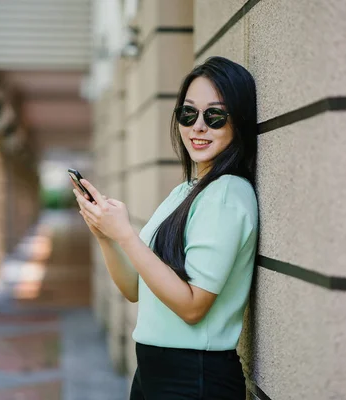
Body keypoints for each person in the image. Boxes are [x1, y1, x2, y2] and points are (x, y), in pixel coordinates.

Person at [72, 56, 258, 399]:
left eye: (214, 116)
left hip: (193, 378)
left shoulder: (227, 194)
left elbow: (192, 306)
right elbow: (133, 288)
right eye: (189, 114)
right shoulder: (186, 191)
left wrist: (126, 234)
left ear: (239, 121)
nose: (198, 127)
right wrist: (107, 236)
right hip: (156, 372)